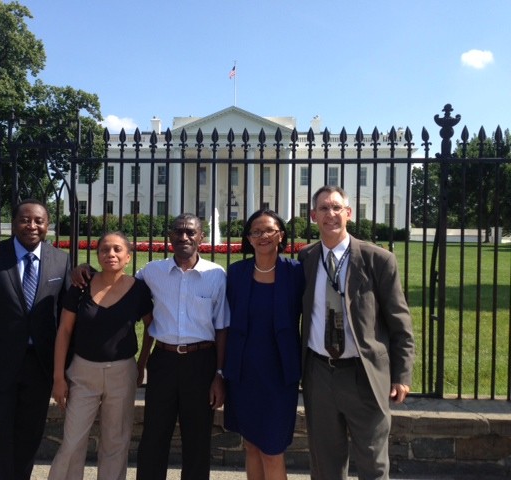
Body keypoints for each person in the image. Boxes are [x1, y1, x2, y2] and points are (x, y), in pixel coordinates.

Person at [73, 213, 229, 480]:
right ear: (169, 237)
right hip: (164, 361)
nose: (184, 237)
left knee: (197, 439)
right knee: (154, 436)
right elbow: (117, 280)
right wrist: (85, 269)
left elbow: (222, 328)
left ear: (201, 237)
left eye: (191, 232)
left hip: (201, 362)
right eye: (178, 232)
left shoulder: (216, 275)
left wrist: (219, 375)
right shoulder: (152, 273)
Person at [298, 185, 415, 480]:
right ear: (313, 216)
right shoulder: (306, 259)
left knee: (373, 464)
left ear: (348, 214)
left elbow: (400, 323)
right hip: (319, 374)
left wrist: (402, 375)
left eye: (337, 207)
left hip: (364, 374)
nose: (331, 214)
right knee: (325, 465)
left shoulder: (378, 260)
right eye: (323, 208)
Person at [0, 199, 70, 480]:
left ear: (47, 225)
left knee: (29, 439)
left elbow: (68, 316)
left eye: (39, 221)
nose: (32, 226)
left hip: (39, 368)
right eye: (25, 220)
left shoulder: (61, 260)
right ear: (14, 223)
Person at [48, 232, 153, 480]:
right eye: (105, 249)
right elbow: (64, 331)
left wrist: (141, 364)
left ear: (128, 257)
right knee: (72, 440)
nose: (111, 254)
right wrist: (58, 377)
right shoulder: (81, 286)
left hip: (122, 371)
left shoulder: (138, 290)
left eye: (117, 250)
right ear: (98, 255)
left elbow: (152, 327)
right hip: (82, 372)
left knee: (116, 441)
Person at [223, 209, 305, 480]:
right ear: (248, 238)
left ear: (280, 235)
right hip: (245, 373)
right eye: (256, 232)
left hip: (279, 375)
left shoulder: (295, 273)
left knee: (272, 448)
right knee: (252, 445)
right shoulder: (236, 274)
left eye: (269, 230)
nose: (263, 236)